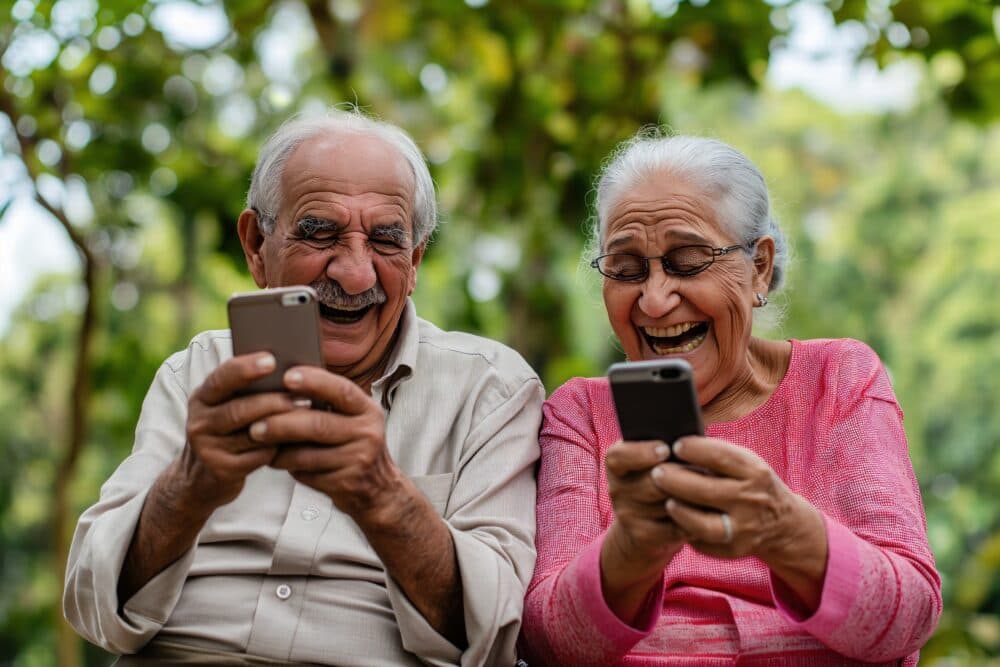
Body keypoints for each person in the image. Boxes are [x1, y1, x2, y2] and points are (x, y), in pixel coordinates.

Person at [64, 107, 544, 666]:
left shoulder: (491, 389)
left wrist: (384, 497)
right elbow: (91, 601)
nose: (354, 274)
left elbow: (500, 640)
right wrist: (190, 486)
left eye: (386, 242)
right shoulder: (198, 371)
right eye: (320, 233)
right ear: (255, 247)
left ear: (414, 262)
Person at [519, 132, 941, 665]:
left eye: (688, 261)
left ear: (758, 267)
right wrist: (635, 549)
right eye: (626, 270)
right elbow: (546, 643)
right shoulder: (582, 415)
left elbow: (908, 618)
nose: (654, 299)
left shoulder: (838, 379)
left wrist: (783, 529)